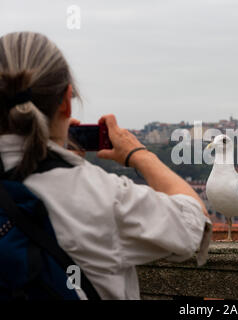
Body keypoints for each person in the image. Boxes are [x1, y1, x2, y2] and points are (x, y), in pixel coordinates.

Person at [0, 32, 212, 299]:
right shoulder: (100, 195)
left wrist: (54, 152)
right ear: (66, 101)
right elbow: (193, 223)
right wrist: (137, 153)